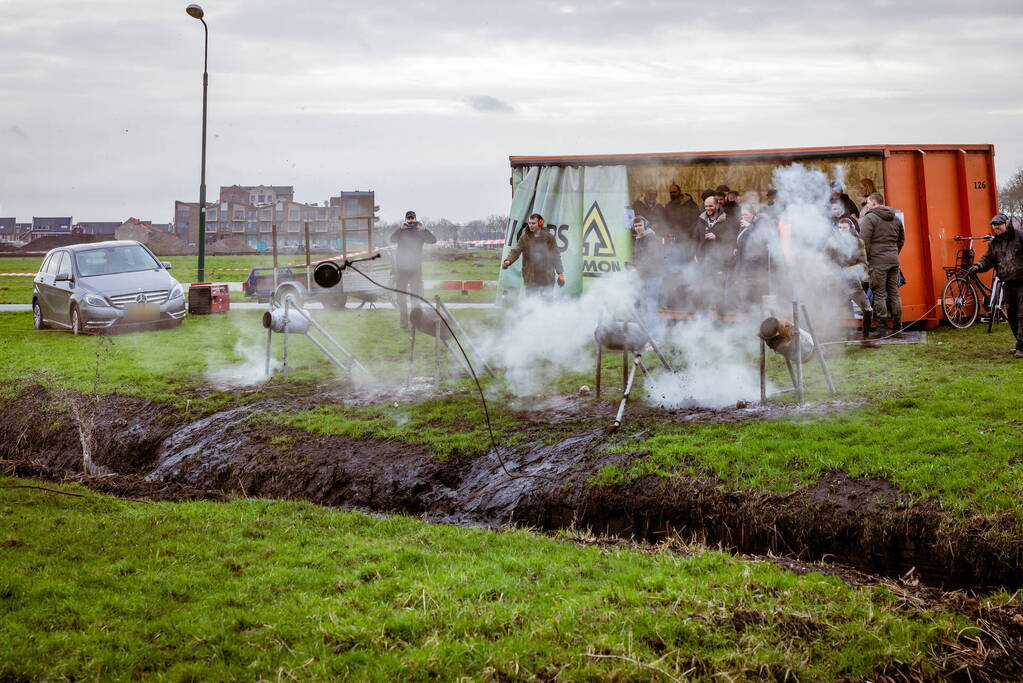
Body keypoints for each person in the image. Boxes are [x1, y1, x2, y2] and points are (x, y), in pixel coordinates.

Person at [969, 214, 1023, 358]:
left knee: (1022, 315)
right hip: (1008, 283)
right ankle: (1020, 343)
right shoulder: (994, 244)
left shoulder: (1020, 237)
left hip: (1022, 282)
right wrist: (978, 266)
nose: (996, 228)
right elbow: (988, 259)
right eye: (994, 226)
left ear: (1006, 224)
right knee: (1012, 315)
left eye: (999, 225)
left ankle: (1021, 347)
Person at [859, 192, 905, 337]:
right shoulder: (895, 218)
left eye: (868, 203)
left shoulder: (869, 218)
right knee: (894, 294)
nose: (867, 206)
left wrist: (866, 260)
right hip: (893, 261)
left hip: (877, 262)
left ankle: (881, 329)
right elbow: (901, 240)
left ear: (874, 203)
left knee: (879, 295)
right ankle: (898, 328)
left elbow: (863, 242)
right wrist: (894, 253)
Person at [827, 217, 877, 347]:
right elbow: (825, 261)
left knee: (868, 309)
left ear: (851, 229)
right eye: (840, 228)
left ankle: (865, 339)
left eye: (845, 228)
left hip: (853, 282)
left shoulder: (858, 243)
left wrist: (851, 270)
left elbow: (863, 263)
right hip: (837, 283)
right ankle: (845, 339)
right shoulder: (832, 242)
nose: (842, 230)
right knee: (843, 314)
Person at [390, 210, 438, 330]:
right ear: (406, 219)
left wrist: (425, 229)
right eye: (409, 218)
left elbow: (433, 240)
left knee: (415, 298)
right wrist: (400, 228)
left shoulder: (420, 232)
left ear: (415, 219)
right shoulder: (401, 232)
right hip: (401, 269)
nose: (411, 220)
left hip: (415, 270)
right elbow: (392, 239)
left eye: (412, 218)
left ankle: (415, 325)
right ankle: (403, 325)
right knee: (401, 298)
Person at [502, 213, 565, 297]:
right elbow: (516, 251)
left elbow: (555, 256)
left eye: (533, 223)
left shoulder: (549, 238)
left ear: (540, 223)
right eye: (529, 223)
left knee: (547, 302)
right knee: (531, 302)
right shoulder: (524, 238)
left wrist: (560, 274)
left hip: (547, 278)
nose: (531, 225)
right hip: (530, 277)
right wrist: (508, 261)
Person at [627, 216, 663, 331]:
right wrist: (631, 265)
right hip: (643, 276)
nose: (638, 228)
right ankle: (645, 333)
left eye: (640, 225)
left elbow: (653, 257)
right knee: (643, 305)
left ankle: (654, 335)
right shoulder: (639, 238)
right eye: (636, 226)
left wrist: (638, 268)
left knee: (651, 306)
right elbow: (639, 258)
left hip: (652, 277)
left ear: (646, 225)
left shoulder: (651, 237)